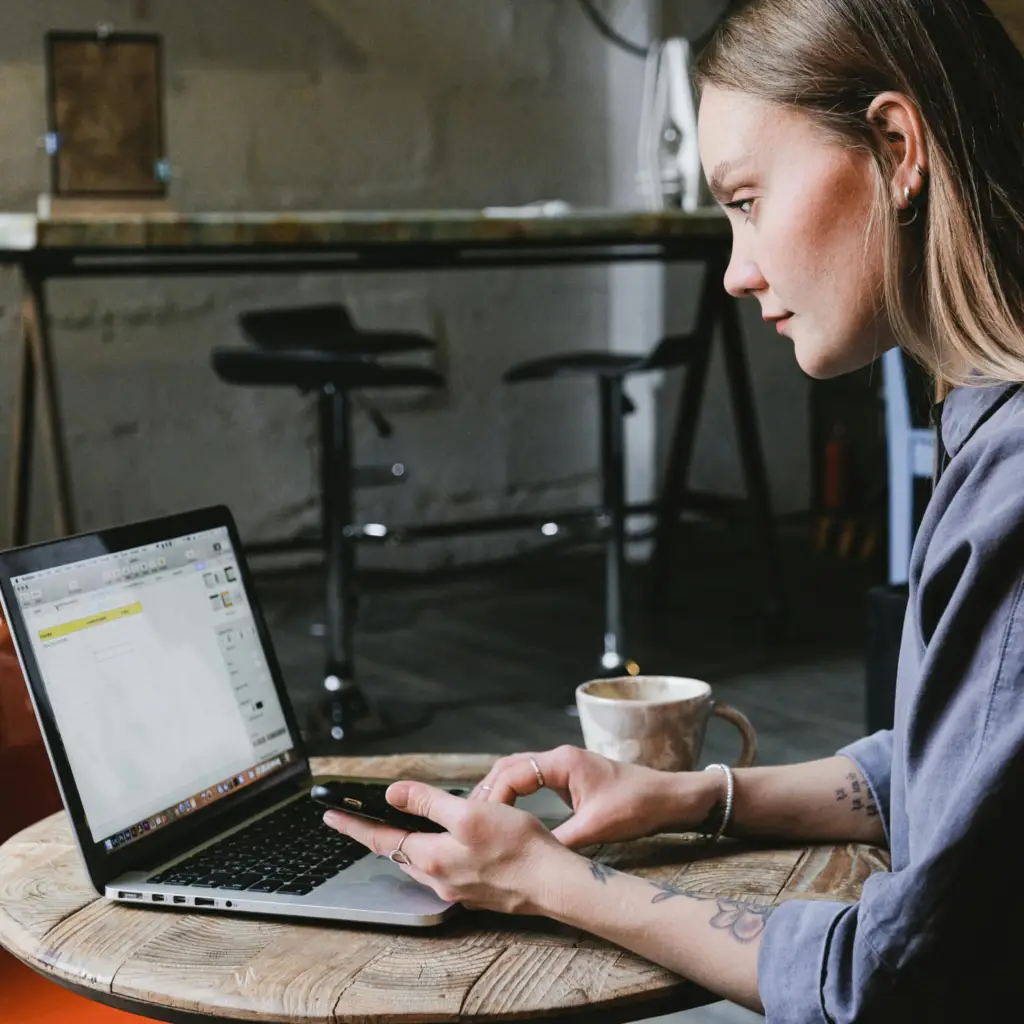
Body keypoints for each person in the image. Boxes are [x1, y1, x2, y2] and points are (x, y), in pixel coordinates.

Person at [324, 1, 1024, 1018]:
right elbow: (954, 774)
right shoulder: (982, 426)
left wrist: (550, 882)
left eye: (745, 199)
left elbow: (896, 981)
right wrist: (697, 795)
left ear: (895, 146)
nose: (737, 272)